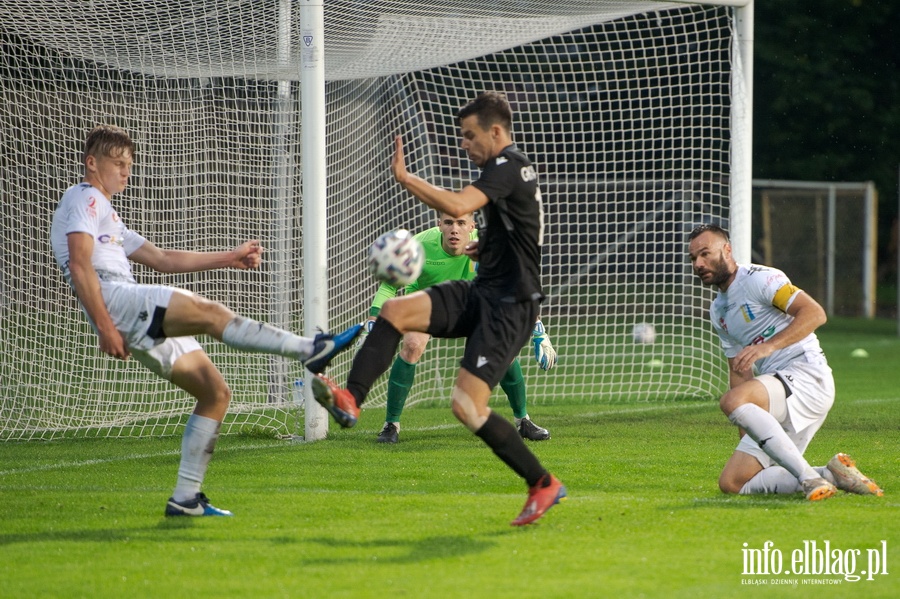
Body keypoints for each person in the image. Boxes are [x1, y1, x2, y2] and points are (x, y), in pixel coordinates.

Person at [50, 124, 361, 517]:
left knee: (215, 393)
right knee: (212, 314)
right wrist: (106, 327)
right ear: (91, 163)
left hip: (124, 307)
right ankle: (311, 350)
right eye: (117, 163)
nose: (125, 172)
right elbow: (80, 266)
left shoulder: (106, 212)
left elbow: (162, 259)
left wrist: (228, 258)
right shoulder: (84, 197)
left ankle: (185, 498)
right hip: (115, 301)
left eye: (129, 165)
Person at [310, 91, 566, 526]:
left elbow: (458, 205)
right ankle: (352, 398)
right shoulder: (502, 172)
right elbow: (517, 231)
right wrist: (486, 246)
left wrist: (406, 178)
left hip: (509, 307)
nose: (464, 144)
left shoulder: (508, 166)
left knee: (467, 407)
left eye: (469, 136)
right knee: (396, 312)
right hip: (480, 290)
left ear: (496, 132)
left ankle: (542, 483)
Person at [687, 223, 883, 500]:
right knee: (733, 483)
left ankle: (809, 479)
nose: (699, 263)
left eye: (705, 254)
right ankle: (831, 474)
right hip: (777, 395)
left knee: (730, 401)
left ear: (727, 249)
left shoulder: (760, 279)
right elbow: (739, 371)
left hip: (805, 375)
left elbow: (815, 314)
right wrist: (747, 429)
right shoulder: (718, 311)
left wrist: (769, 347)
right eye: (693, 258)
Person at [360, 210, 556, 444]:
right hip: (426, 302)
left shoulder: (487, 245)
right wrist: (374, 318)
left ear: (472, 225)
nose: (455, 229)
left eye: (461, 223)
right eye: (449, 222)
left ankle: (523, 420)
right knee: (412, 345)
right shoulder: (418, 245)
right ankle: (391, 424)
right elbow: (390, 285)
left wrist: (538, 330)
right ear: (439, 224)